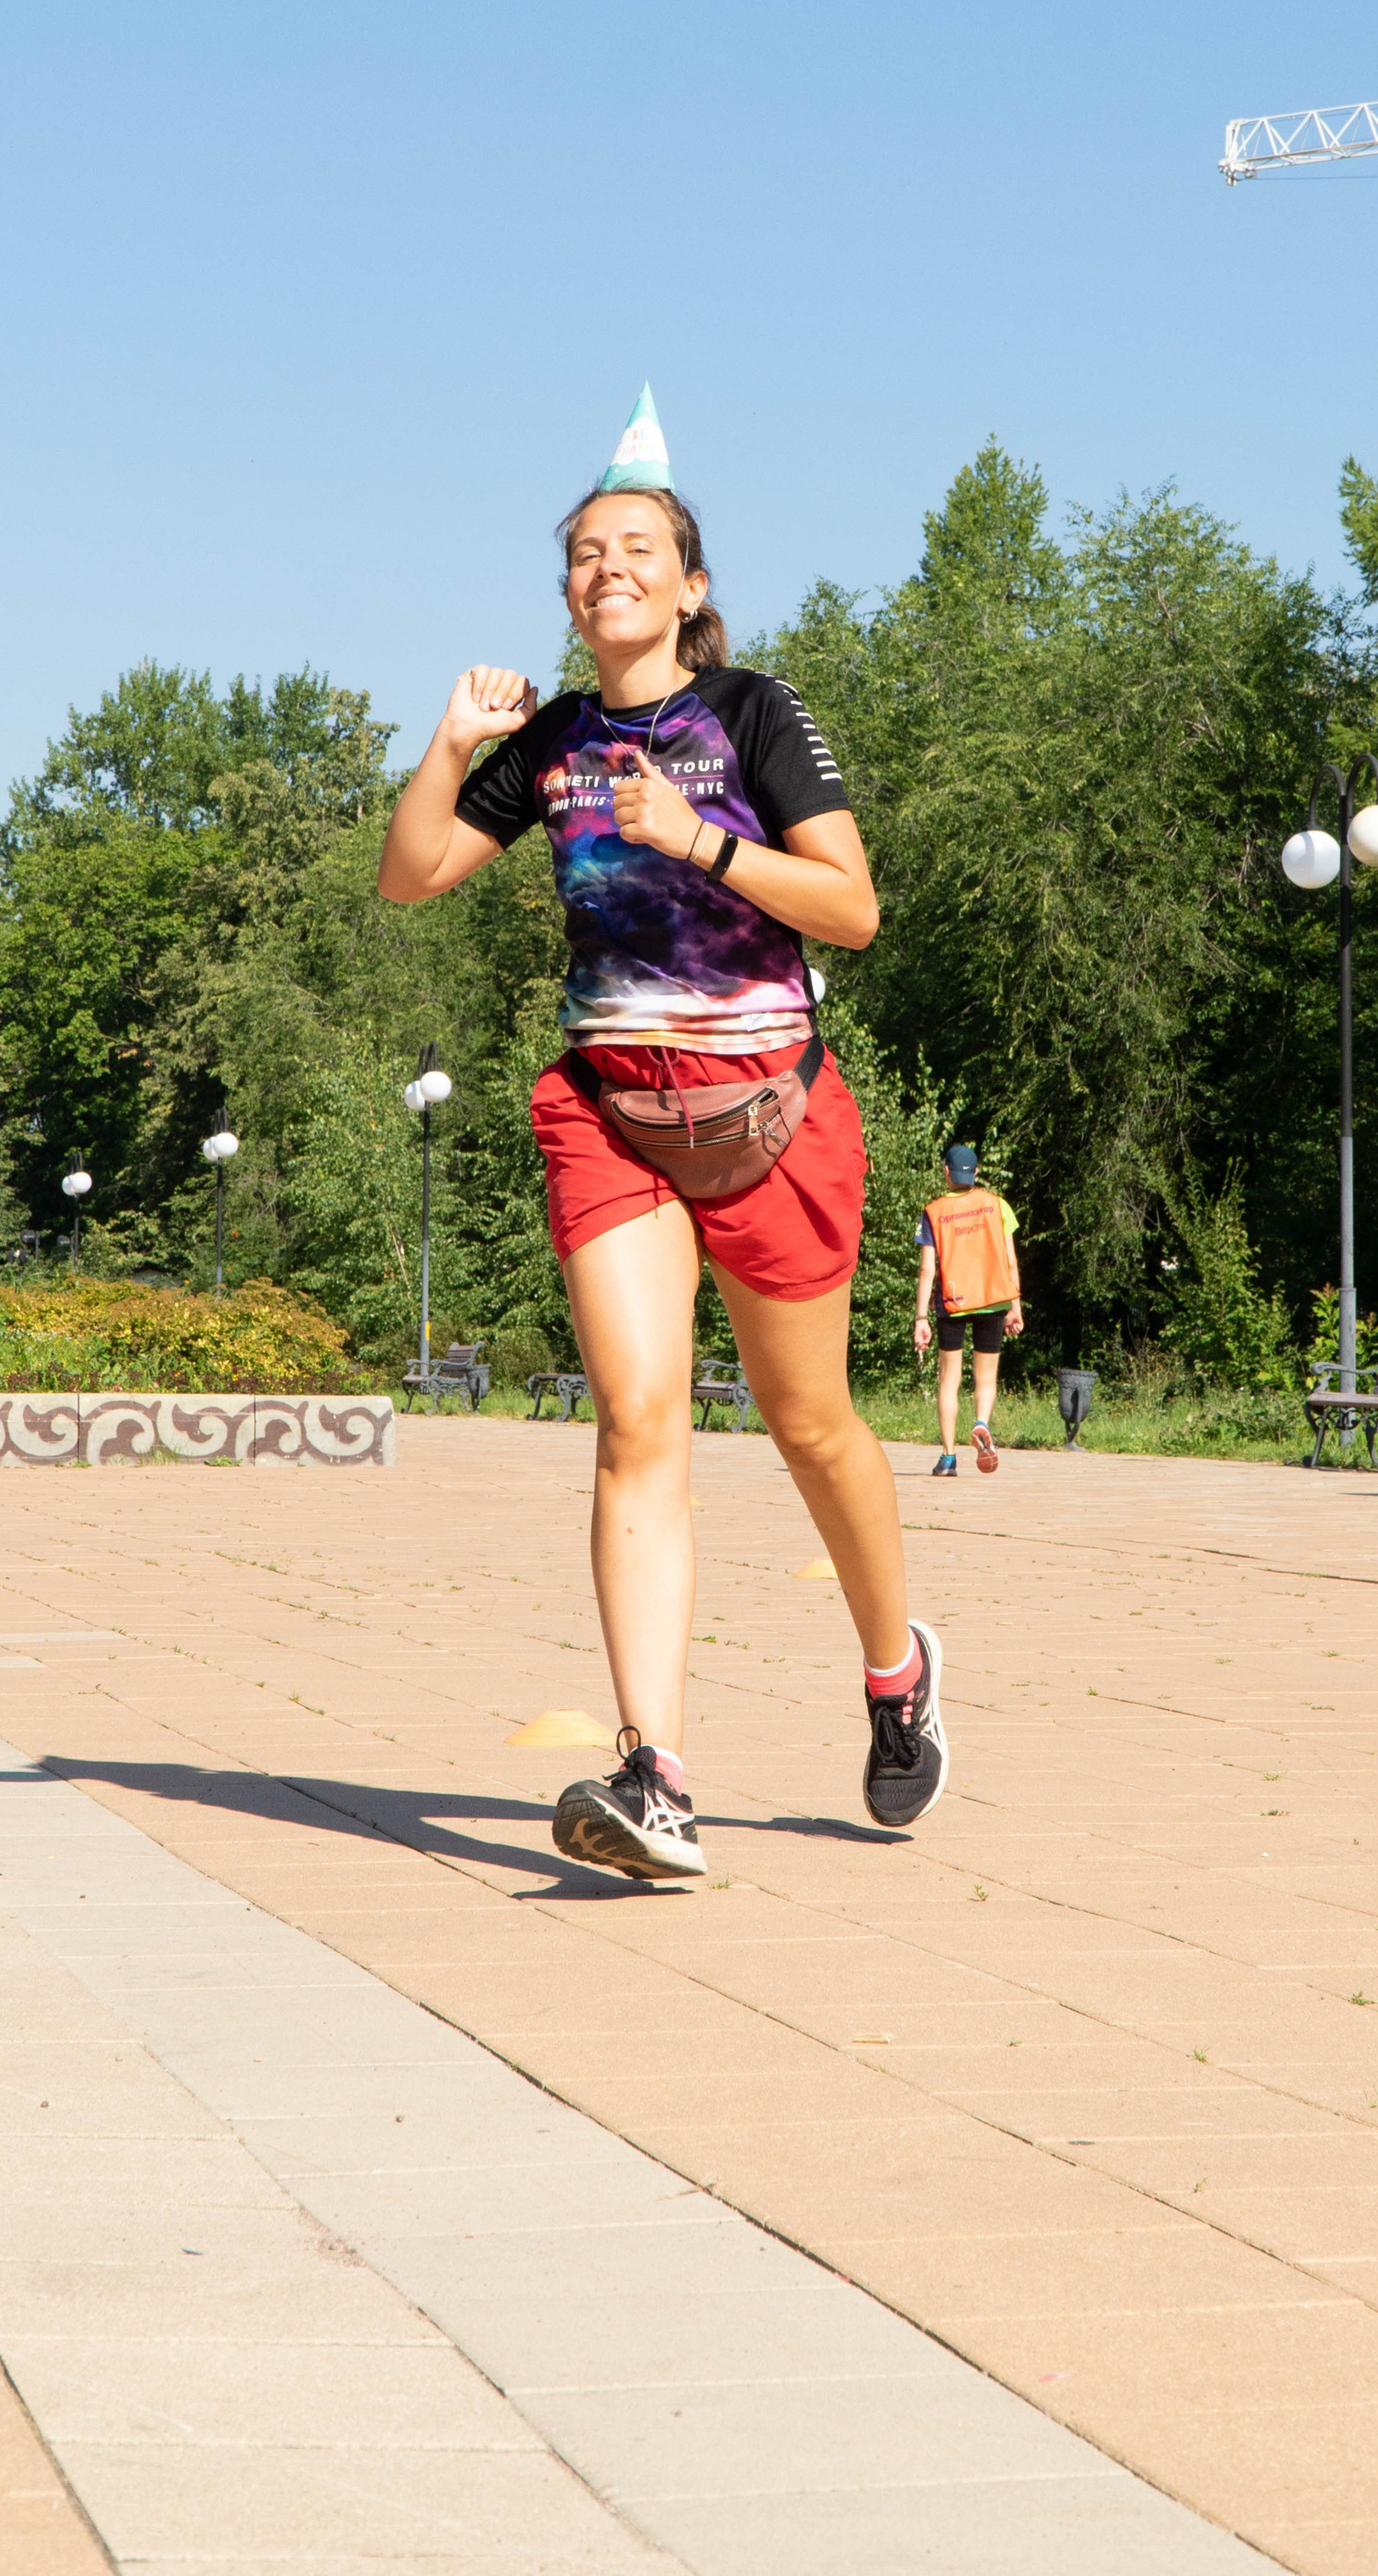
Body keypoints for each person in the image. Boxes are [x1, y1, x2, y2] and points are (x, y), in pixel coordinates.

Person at [377, 391, 948, 1881]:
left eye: (634, 546)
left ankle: (895, 1667)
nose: (603, 566)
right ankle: (657, 1775)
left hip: (770, 1114)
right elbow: (414, 875)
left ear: (689, 586)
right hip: (612, 1111)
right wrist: (446, 749)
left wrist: (690, 835)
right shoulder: (553, 738)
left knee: (810, 1424)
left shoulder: (753, 714)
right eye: (582, 551)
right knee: (638, 1424)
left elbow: (855, 911)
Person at [912, 1143, 1023, 1475]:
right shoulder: (998, 1205)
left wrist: (921, 1317)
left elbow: (927, 1270)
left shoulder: (933, 1212)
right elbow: (1011, 1261)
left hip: (953, 1302)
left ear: (946, 1172)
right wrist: (1015, 1307)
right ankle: (981, 1423)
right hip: (993, 1300)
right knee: (985, 1378)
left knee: (949, 1380)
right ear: (976, 1173)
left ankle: (948, 1458)